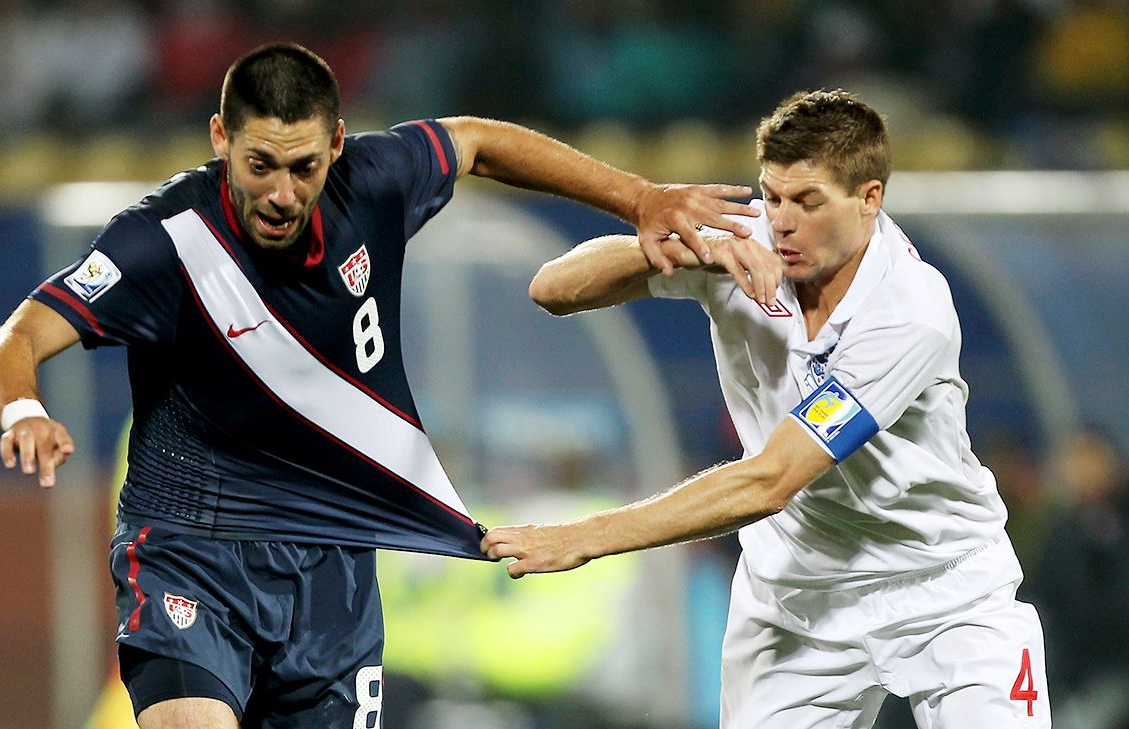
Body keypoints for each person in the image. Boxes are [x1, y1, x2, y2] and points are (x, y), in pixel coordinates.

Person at [0, 42, 762, 729]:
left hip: (334, 564)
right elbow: (12, 343)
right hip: (194, 551)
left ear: (338, 146)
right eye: (260, 165)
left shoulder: (374, 183)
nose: (282, 192)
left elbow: (479, 140)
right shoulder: (162, 243)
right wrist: (25, 406)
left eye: (304, 166)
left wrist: (641, 198)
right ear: (221, 138)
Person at [481, 89, 1052, 728]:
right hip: (798, 596)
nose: (781, 222)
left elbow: (771, 478)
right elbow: (552, 289)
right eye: (772, 196)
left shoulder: (909, 313)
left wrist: (582, 538)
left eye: (807, 202)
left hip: (943, 588)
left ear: (869, 199)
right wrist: (688, 250)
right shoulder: (745, 242)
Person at [1027, 425, 1129, 729]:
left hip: (1113, 670)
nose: (1078, 469)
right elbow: (1044, 602)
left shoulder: (1116, 524)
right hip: (1072, 677)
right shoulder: (1062, 533)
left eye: (1089, 457)